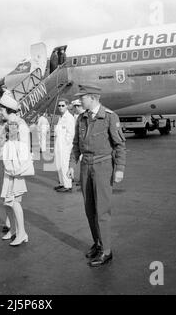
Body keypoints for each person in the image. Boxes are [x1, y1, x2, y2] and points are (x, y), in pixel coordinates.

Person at [67, 84, 126, 267]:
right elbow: (76, 144)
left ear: (92, 97)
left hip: (103, 166)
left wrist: (119, 169)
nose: (79, 100)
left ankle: (107, 251)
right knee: (89, 209)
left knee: (102, 210)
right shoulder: (81, 118)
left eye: (82, 97)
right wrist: (71, 165)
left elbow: (119, 145)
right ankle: (98, 243)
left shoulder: (109, 116)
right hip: (86, 166)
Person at [0, 91, 30, 246]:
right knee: (6, 200)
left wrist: (17, 168)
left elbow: (24, 149)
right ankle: (14, 230)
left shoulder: (21, 126)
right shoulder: (7, 125)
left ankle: (22, 232)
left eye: (1, 110)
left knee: (15, 201)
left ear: (8, 110)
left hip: (15, 168)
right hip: (5, 166)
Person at [54, 98, 75, 192]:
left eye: (63, 105)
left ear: (67, 106)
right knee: (59, 164)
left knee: (65, 165)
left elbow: (71, 134)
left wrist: (66, 146)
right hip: (58, 144)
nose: (61, 107)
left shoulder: (69, 118)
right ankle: (62, 183)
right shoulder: (60, 117)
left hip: (65, 146)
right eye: (59, 105)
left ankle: (68, 185)